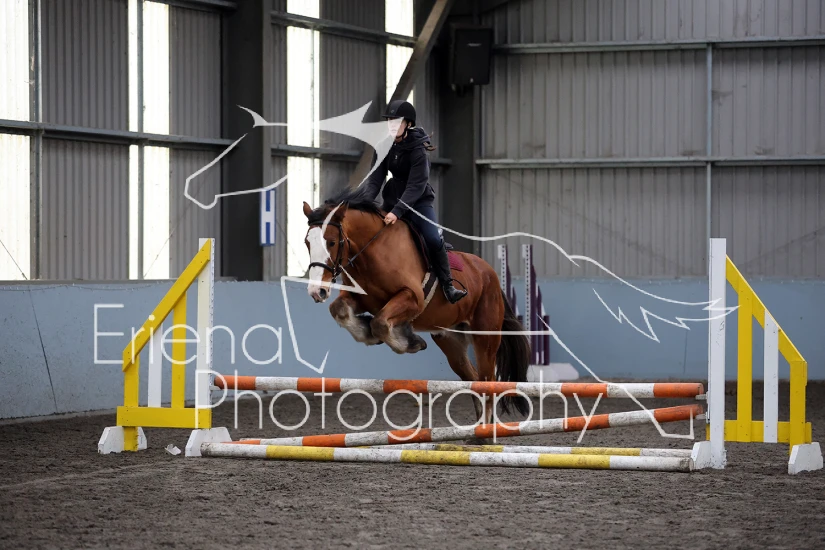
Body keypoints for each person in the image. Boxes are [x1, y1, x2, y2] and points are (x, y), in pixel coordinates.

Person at [361, 99, 467, 304]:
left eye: (397, 121)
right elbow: (375, 180)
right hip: (392, 200)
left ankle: (448, 286)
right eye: (389, 121)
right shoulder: (383, 145)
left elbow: (416, 186)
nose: (392, 125)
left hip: (418, 203)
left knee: (433, 238)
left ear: (408, 124)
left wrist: (397, 211)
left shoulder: (418, 149)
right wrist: (364, 204)